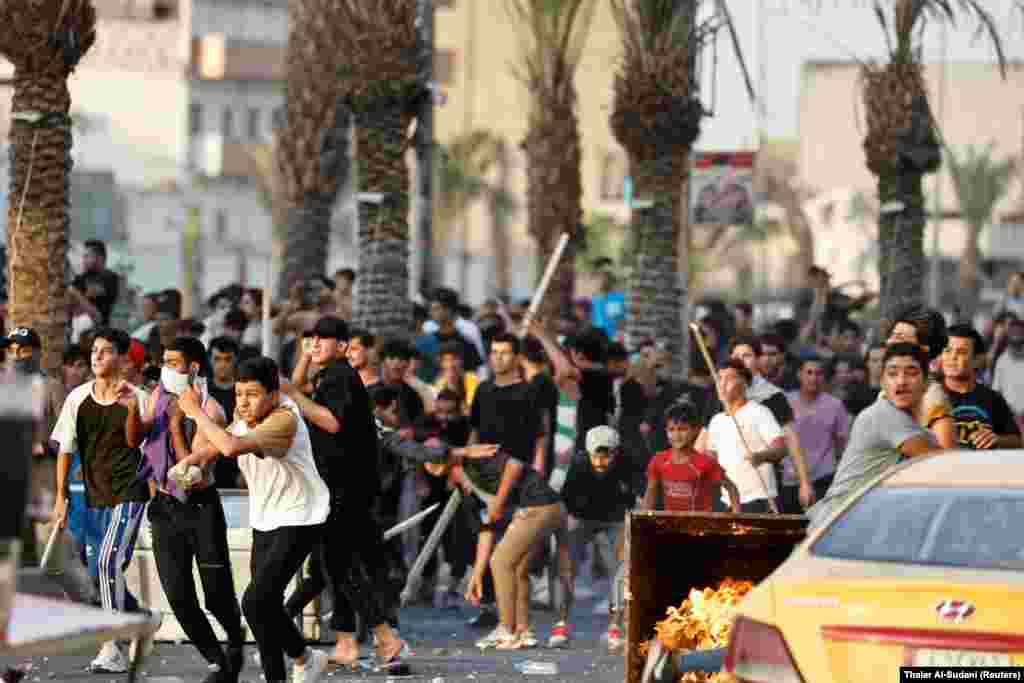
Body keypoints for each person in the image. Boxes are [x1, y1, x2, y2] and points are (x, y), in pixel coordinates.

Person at [173, 357, 331, 683]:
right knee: (263, 609)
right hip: (266, 516)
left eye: (253, 394)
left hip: (301, 515)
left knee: (256, 601)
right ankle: (295, 664)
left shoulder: (283, 419)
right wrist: (192, 463)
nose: (243, 402)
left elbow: (230, 447)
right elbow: (218, 445)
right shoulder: (245, 415)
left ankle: (299, 661)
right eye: (239, 393)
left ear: (273, 395)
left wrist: (195, 411)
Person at [278, 317, 406, 668]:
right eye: (311, 339)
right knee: (335, 567)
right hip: (342, 486)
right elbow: (300, 382)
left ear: (342, 345)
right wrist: (302, 365)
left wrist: (292, 394)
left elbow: (331, 421)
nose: (315, 344)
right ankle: (350, 642)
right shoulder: (331, 373)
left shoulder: (339, 377)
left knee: (337, 565)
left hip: (345, 488)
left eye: (323, 339)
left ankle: (385, 637)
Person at [138, 337, 245, 683]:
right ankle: (216, 661)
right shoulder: (159, 398)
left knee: (216, 595)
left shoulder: (210, 410)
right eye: (164, 362)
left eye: (173, 362)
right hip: (164, 509)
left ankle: (235, 637)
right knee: (179, 597)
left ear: (194, 367)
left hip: (200, 507)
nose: (166, 369)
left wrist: (174, 426)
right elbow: (139, 441)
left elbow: (191, 475)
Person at [50, 328, 153, 674]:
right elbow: (66, 450)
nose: (96, 356)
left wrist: (131, 410)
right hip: (96, 495)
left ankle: (113, 645)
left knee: (108, 562)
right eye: (94, 350)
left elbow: (136, 441)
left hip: (131, 491)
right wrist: (61, 498)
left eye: (105, 351)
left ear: (122, 358)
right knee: (97, 573)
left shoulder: (137, 397)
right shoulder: (77, 398)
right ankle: (139, 617)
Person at [463, 333, 568, 651]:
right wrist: (471, 465)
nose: (498, 358)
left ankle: (506, 628)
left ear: (517, 356)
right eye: (493, 352)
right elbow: (475, 433)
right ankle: (522, 629)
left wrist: (498, 497)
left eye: (505, 352)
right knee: (516, 565)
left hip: (522, 487)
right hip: (505, 485)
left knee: (504, 561)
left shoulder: (527, 394)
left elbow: (526, 451)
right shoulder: (483, 391)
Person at [806, 343, 940, 531]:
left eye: (911, 373)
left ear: (926, 382)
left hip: (859, 525)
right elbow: (942, 462)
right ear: (883, 382)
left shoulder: (915, 427)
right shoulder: (884, 415)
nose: (901, 381)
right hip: (838, 528)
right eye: (893, 374)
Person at [561, 426, 638, 653]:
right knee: (567, 562)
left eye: (607, 455)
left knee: (624, 568)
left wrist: (631, 519)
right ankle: (562, 622)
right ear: (588, 451)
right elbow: (567, 496)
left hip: (615, 517)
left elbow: (638, 492)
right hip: (584, 516)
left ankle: (615, 627)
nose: (602, 461)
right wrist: (570, 523)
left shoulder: (628, 461)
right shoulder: (579, 463)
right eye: (597, 455)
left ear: (616, 452)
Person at [704, 360, 788, 514]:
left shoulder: (759, 412)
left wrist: (761, 456)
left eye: (729, 378)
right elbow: (711, 457)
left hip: (758, 499)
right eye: (719, 378)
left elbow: (781, 448)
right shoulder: (716, 420)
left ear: (744, 382)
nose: (722, 384)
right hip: (726, 501)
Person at [642, 400, 741, 515]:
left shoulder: (706, 463)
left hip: (701, 528)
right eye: (671, 429)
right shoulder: (658, 460)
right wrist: (643, 522)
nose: (676, 435)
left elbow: (732, 489)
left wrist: (735, 517)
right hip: (671, 526)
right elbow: (650, 494)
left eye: (682, 429)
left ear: (695, 430)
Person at [782, 356, 852, 515]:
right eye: (809, 372)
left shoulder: (835, 405)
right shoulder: (786, 401)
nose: (814, 377)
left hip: (824, 478)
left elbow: (843, 443)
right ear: (799, 375)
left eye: (819, 373)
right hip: (791, 478)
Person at [884, 306, 957, 449]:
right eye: (892, 335)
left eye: (900, 337)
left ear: (923, 350)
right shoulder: (888, 390)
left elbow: (947, 458)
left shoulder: (932, 398)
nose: (890, 342)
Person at [941, 324, 1022, 450]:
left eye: (961, 352)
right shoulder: (928, 396)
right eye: (947, 350)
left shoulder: (993, 398)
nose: (952, 357)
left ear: (978, 360)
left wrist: (997, 439)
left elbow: (1017, 441)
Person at [71, 240, 120, 326]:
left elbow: (98, 314)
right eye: (83, 257)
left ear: (99, 258)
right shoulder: (80, 279)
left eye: (87, 256)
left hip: (99, 329)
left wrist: (75, 293)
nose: (83, 260)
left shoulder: (110, 278)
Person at [992, 318, 1024, 432]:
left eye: (1020, 334)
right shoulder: (1002, 361)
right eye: (1013, 333)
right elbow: (996, 392)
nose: (1016, 336)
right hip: (1010, 419)